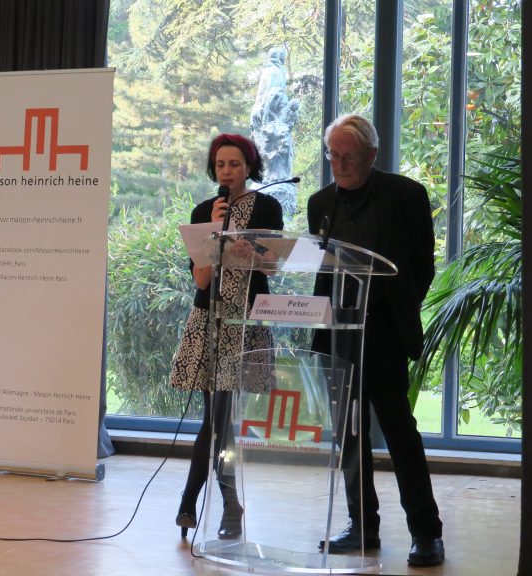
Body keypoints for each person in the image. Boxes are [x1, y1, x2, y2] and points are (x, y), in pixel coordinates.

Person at [307, 114, 444, 566]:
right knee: (348, 435)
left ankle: (426, 532)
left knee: (400, 433)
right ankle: (361, 525)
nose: (339, 164)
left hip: (383, 332)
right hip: (337, 333)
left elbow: (422, 267)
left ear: (372, 154)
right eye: (333, 155)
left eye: (348, 156)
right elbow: (322, 269)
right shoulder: (319, 203)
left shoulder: (406, 195)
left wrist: (396, 308)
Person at [170, 133, 283, 539]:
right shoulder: (205, 210)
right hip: (209, 322)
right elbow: (201, 278)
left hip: (245, 324)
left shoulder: (267, 207)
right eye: (220, 165)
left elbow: (270, 267)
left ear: (249, 167)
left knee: (219, 419)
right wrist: (216, 231)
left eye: (234, 164)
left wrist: (239, 244)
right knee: (216, 419)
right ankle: (228, 506)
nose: (227, 171)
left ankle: (192, 500)